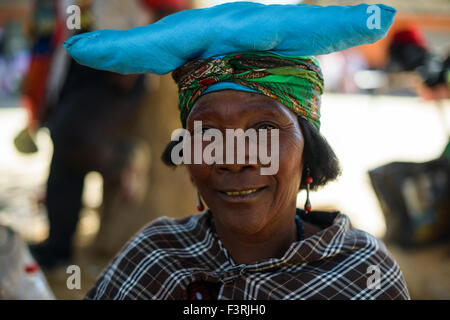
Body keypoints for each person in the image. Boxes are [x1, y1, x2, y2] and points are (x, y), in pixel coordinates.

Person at [64, 2, 409, 299]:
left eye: (264, 130)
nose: (233, 159)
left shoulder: (362, 273)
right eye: (208, 133)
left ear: (308, 148)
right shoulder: (155, 257)